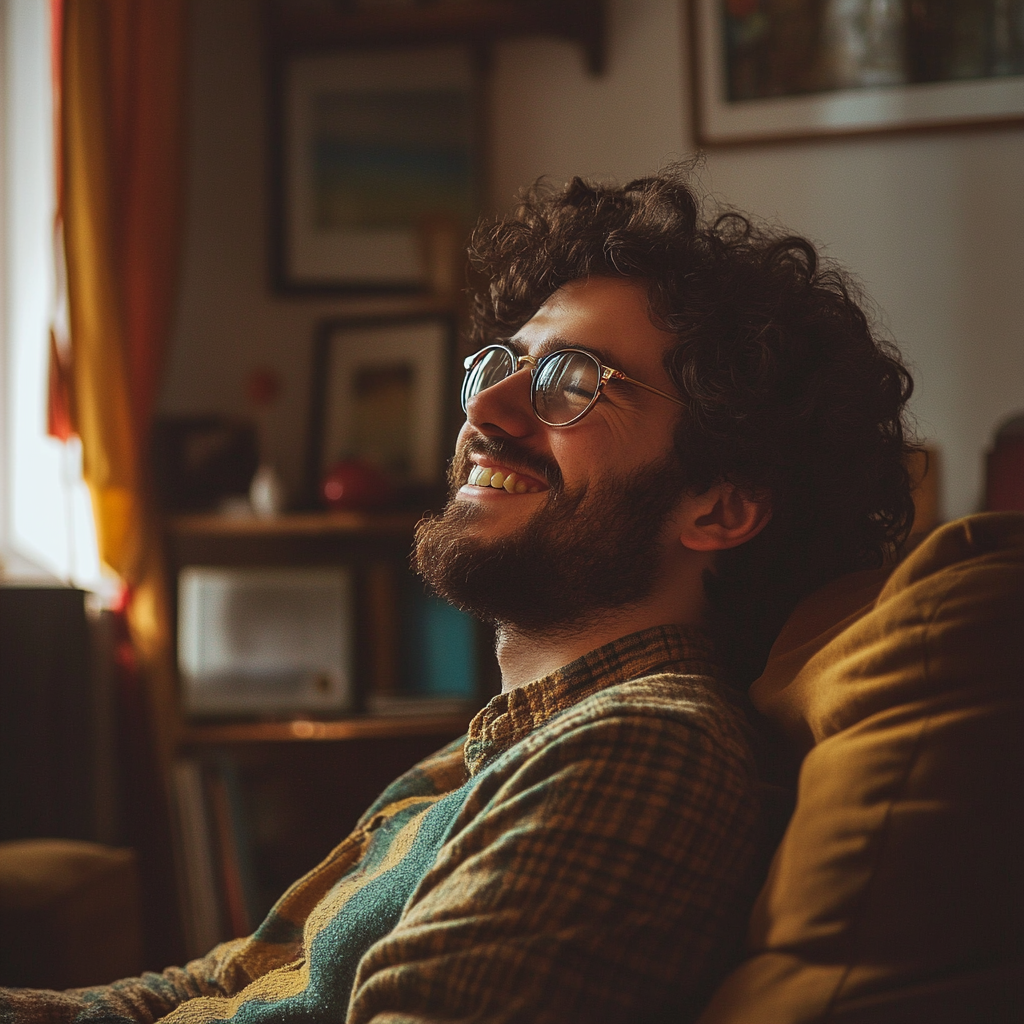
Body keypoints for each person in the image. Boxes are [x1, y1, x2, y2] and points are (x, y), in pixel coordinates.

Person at [0, 169, 915, 1024]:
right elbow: (219, 982)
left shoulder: (641, 749)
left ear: (720, 507)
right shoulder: (486, 752)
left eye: (574, 382)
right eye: (503, 365)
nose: (484, 411)